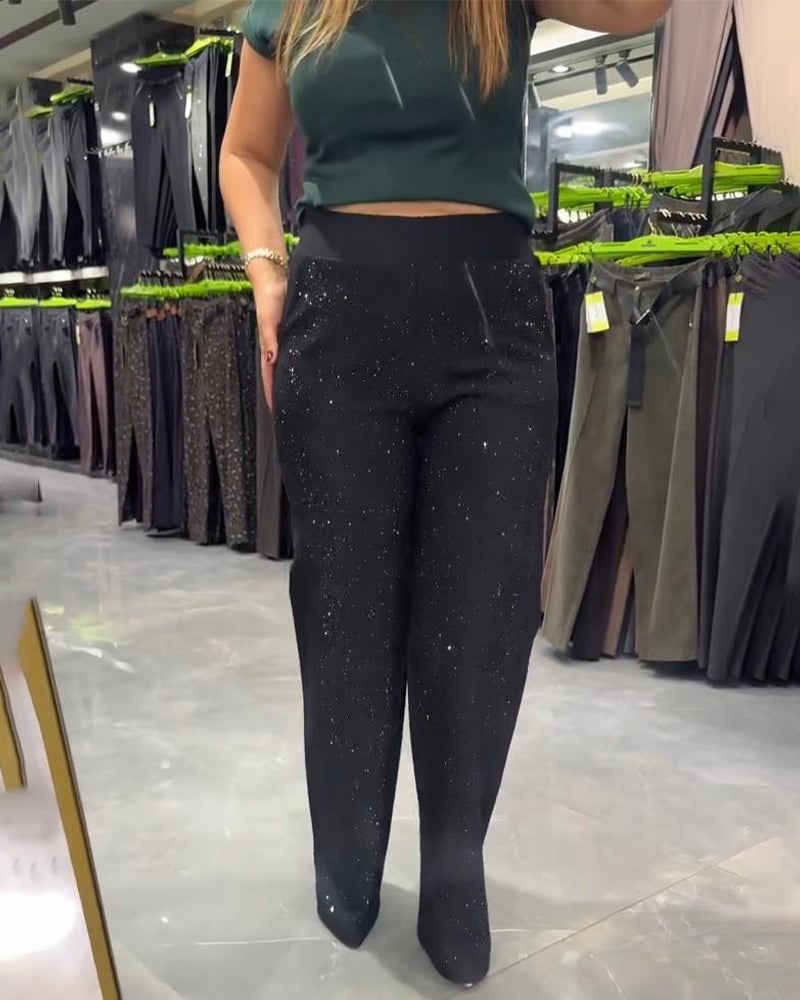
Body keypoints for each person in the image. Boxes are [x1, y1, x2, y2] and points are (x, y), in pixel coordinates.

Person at [220, 0, 671, 985]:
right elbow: (246, 154)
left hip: (492, 317)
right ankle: (347, 849)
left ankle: (454, 863)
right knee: (344, 610)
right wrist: (263, 269)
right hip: (338, 314)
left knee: (482, 609)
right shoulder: (291, 7)